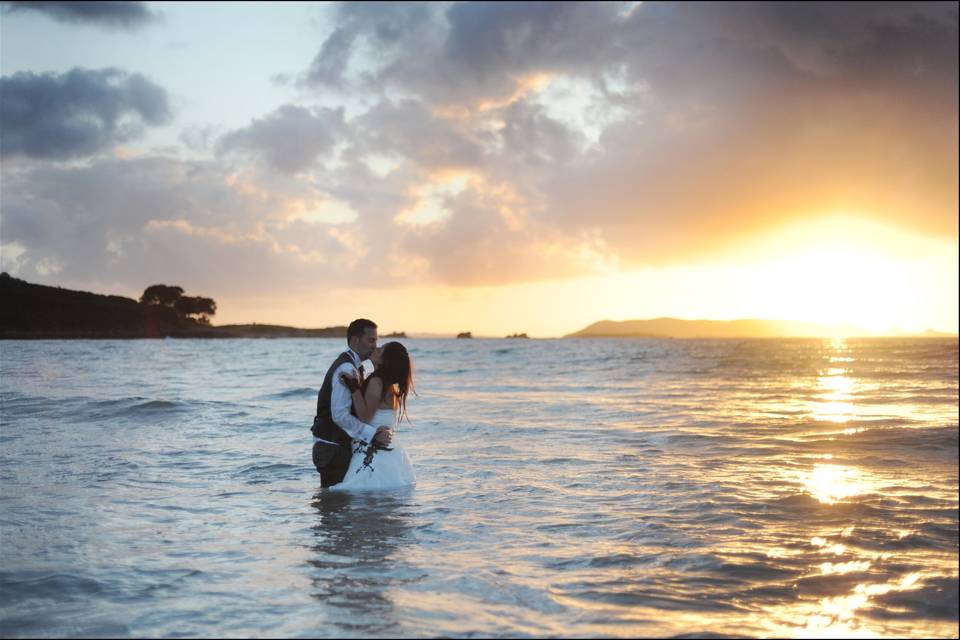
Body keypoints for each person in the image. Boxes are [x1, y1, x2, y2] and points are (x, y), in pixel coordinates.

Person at [311, 319, 392, 487]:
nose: (374, 346)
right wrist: (372, 434)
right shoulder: (346, 369)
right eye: (370, 340)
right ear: (355, 340)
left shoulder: (354, 367)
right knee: (334, 508)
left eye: (376, 340)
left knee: (337, 506)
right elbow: (340, 415)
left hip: (333, 446)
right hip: (332, 448)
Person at [329, 340, 416, 491]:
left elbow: (364, 417)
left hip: (374, 452)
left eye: (381, 349)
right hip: (391, 453)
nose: (376, 348)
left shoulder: (377, 382)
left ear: (385, 360)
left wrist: (354, 388)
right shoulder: (390, 386)